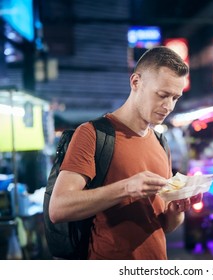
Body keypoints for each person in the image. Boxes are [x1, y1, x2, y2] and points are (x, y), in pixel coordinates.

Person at [48, 46, 202, 260]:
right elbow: (58, 209)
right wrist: (127, 187)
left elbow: (165, 225)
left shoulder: (160, 142)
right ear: (136, 82)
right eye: (162, 95)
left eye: (175, 98)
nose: (168, 106)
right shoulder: (93, 134)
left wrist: (177, 208)